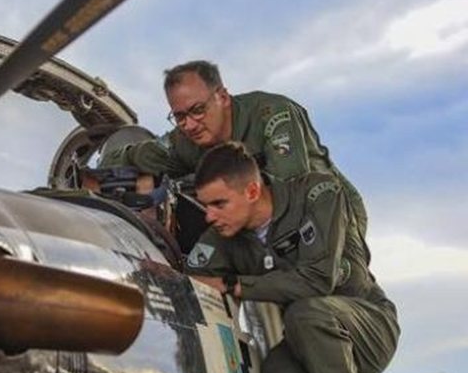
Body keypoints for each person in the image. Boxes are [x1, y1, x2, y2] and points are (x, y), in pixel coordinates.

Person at [186, 142, 399, 373]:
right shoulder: (224, 236)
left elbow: (318, 279)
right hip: (309, 345)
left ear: (253, 190)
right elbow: (191, 277)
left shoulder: (318, 195)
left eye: (219, 203)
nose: (209, 215)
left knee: (305, 312)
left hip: (368, 327)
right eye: (205, 205)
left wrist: (237, 285)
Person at [100, 60, 368, 240]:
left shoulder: (273, 116)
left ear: (223, 98)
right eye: (179, 116)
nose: (190, 124)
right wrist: (108, 165)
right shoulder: (186, 139)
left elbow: (289, 194)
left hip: (331, 218)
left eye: (198, 110)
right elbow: (137, 155)